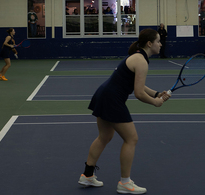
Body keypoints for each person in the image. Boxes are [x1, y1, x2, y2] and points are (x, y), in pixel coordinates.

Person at [78, 28, 171, 194]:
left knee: (104, 136)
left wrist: (156, 93)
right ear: (150, 44)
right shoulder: (141, 61)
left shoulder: (137, 56)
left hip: (103, 94)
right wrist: (155, 102)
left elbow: (139, 85)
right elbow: (139, 93)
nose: (160, 44)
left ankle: (87, 175)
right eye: (158, 41)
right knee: (131, 138)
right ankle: (125, 183)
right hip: (112, 99)